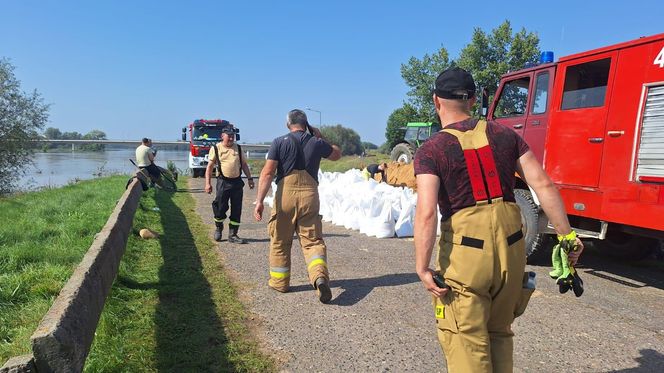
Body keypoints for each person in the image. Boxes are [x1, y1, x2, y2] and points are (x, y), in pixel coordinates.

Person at [413, 67, 584, 372]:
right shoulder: (506, 135)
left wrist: (422, 266)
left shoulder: (431, 149)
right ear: (474, 99)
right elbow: (542, 185)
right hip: (512, 253)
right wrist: (567, 237)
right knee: (500, 334)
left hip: (467, 260)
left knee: (465, 341)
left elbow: (426, 212)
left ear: (436, 101)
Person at [253, 109, 342, 304]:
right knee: (312, 241)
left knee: (280, 240)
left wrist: (259, 201)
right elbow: (337, 154)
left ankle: (279, 282)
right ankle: (319, 278)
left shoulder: (278, 142)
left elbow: (267, 173)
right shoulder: (317, 143)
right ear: (307, 124)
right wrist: (320, 136)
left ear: (288, 124)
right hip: (310, 195)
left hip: (285, 195)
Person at [204, 125, 255, 243]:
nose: (231, 139)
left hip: (237, 182)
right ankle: (218, 228)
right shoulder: (216, 148)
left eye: (233, 136)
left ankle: (233, 234)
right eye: (229, 136)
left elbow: (245, 165)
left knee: (237, 208)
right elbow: (209, 167)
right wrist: (208, 183)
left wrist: (250, 179)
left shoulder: (238, 148)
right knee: (220, 207)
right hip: (223, 182)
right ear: (222, 136)